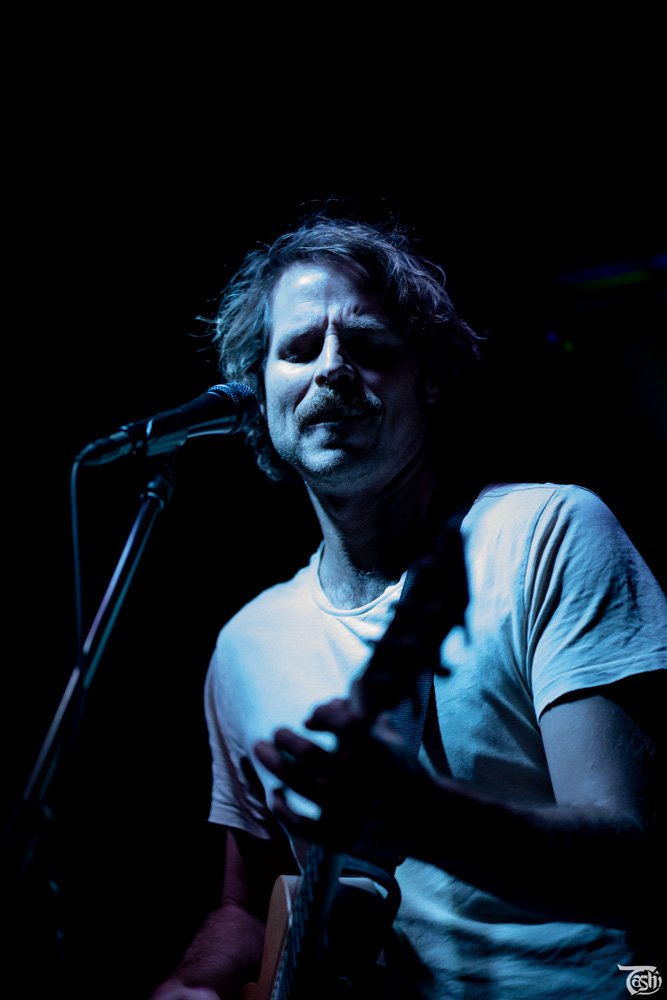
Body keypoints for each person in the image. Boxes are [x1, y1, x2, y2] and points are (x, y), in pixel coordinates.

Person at [149, 214, 666, 1000]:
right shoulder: (246, 644)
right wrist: (194, 980)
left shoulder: (545, 534)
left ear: (427, 375)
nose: (331, 368)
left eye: (366, 345)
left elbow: (638, 857)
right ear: (258, 393)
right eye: (299, 349)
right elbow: (245, 905)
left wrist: (425, 817)